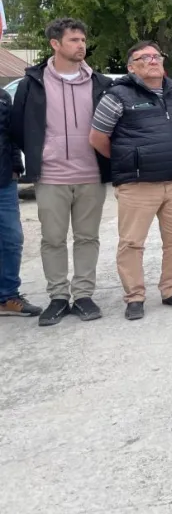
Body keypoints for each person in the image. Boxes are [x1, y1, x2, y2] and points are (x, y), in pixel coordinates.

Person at [10, 19, 114, 325]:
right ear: (55, 44)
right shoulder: (33, 83)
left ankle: (83, 296)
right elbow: (18, 127)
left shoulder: (101, 83)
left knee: (87, 238)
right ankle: (57, 297)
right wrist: (42, 153)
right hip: (51, 176)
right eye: (74, 40)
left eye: (83, 39)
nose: (81, 45)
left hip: (91, 174)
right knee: (52, 239)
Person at [89, 41, 172, 320]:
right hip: (137, 185)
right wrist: (128, 159)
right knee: (132, 242)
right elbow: (97, 137)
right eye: (144, 57)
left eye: (156, 56)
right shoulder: (117, 95)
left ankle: (170, 290)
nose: (152, 60)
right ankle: (134, 296)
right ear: (131, 66)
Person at [0, 85, 39, 317]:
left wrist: (16, 167)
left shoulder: (3, 97)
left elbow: (10, 136)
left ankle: (8, 296)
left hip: (4, 181)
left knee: (12, 239)